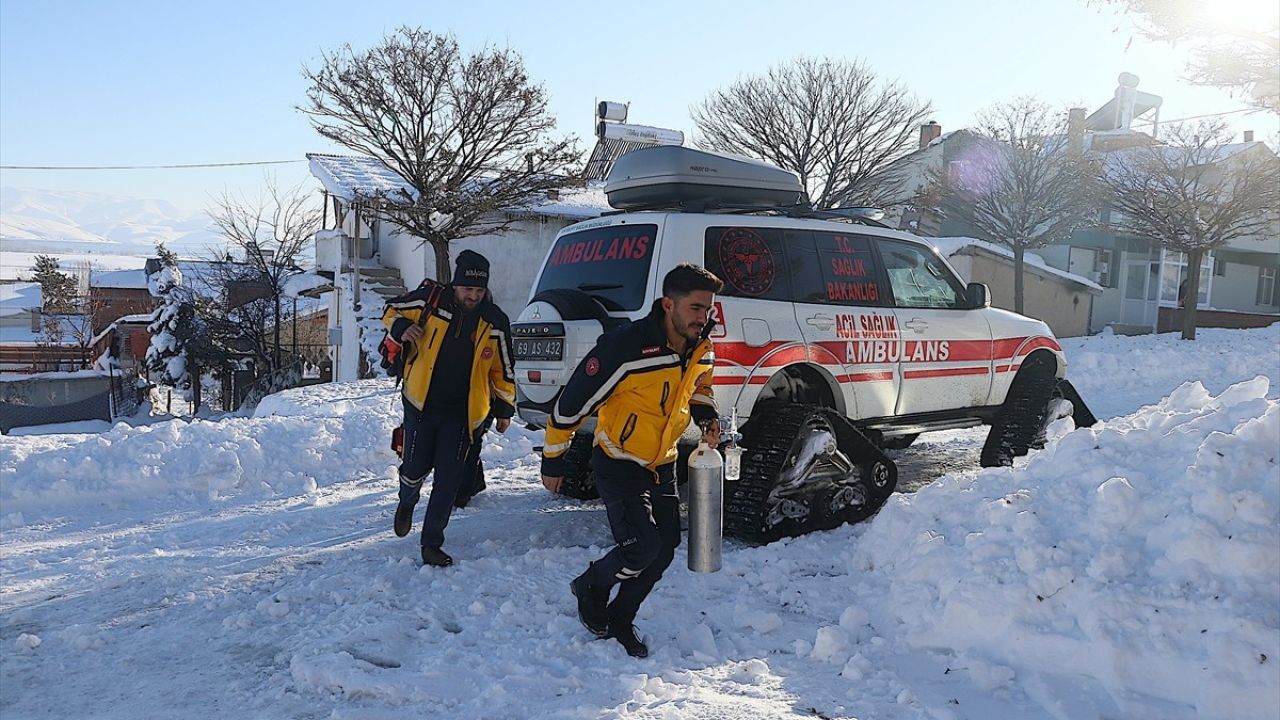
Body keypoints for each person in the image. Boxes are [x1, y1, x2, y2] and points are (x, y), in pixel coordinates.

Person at [541, 263, 723, 657]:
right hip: (618, 457)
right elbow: (572, 402)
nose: (702, 317)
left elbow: (701, 384)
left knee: (667, 546)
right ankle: (591, 584)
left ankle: (621, 619)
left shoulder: (700, 344)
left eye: (707, 309)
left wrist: (706, 415)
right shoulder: (627, 347)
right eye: (695, 308)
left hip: (662, 461)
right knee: (641, 547)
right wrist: (553, 459)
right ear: (667, 304)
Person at [383, 249, 515, 567]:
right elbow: (390, 310)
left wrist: (504, 408)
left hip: (463, 415)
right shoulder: (430, 300)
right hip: (421, 405)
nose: (472, 296)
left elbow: (504, 368)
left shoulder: (494, 322)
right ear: (455, 285)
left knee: (448, 480)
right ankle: (407, 500)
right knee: (414, 469)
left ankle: (431, 544)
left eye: (478, 290)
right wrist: (402, 328)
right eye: (467, 289)